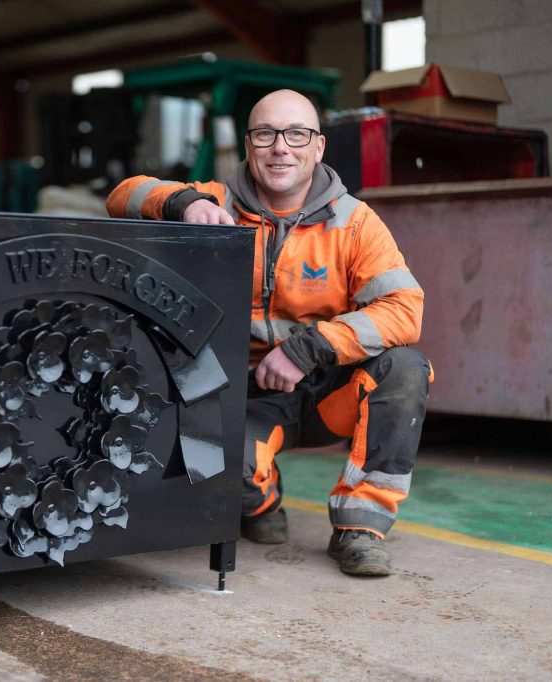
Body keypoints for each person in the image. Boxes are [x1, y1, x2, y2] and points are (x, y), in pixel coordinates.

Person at [106, 90, 432, 576]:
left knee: (406, 368)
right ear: (249, 144)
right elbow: (121, 195)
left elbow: (405, 309)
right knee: (213, 461)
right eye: (266, 134)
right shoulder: (215, 203)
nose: (281, 147)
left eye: (296, 133)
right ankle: (260, 500)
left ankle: (361, 526)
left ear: (318, 146)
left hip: (327, 389)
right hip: (250, 395)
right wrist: (183, 202)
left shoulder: (355, 224)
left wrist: (309, 348)